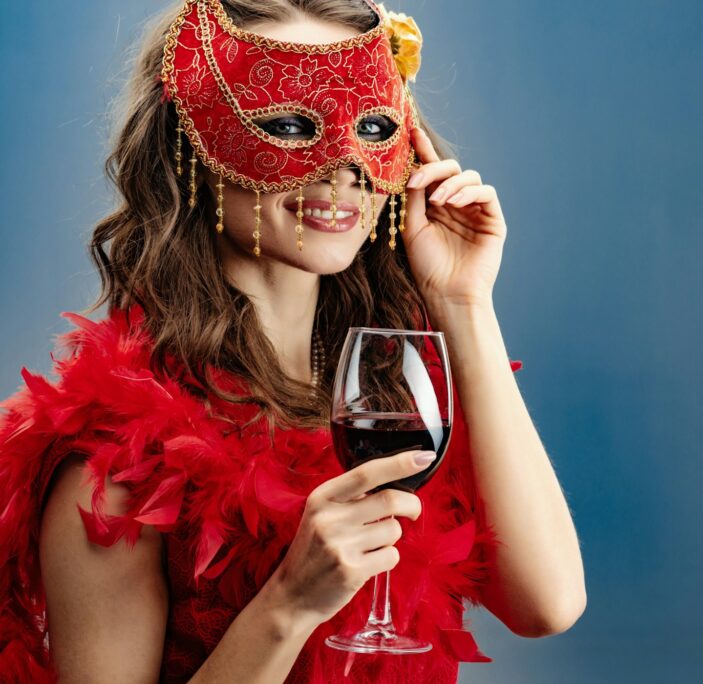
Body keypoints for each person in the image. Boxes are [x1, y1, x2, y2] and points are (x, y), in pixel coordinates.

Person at [0, 0, 586, 681]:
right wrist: (289, 602)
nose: (342, 167)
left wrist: (462, 301)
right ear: (191, 140)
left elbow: (548, 603)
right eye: (286, 124)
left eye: (372, 126)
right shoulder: (113, 456)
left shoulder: (393, 392)